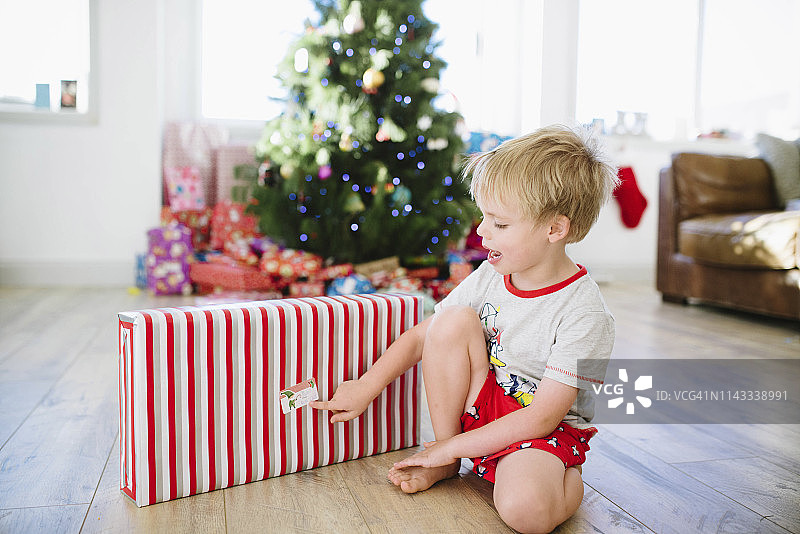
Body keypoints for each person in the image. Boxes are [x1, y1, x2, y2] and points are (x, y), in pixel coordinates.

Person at [311, 124, 618, 534]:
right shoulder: (491, 273)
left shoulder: (585, 314)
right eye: (484, 217)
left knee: (526, 513)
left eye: (500, 224)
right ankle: (450, 463)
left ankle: (561, 477)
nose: (481, 232)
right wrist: (367, 386)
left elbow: (543, 418)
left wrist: (447, 445)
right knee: (450, 321)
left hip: (544, 430)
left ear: (554, 229)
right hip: (485, 406)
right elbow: (426, 335)